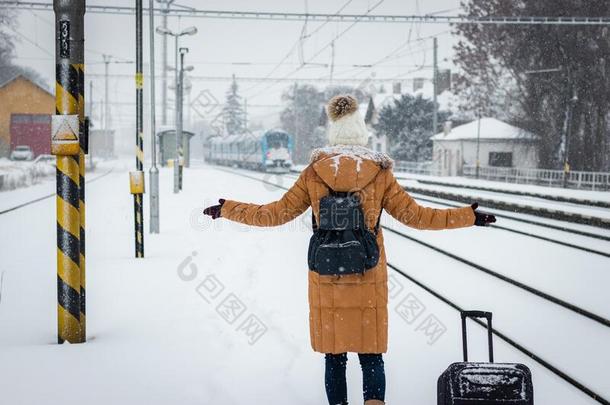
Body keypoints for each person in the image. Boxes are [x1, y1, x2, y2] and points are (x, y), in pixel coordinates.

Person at [203, 95, 496, 405]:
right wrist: (468, 216)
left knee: (335, 359)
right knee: (371, 358)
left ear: (333, 133)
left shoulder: (314, 172)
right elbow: (418, 216)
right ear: (361, 134)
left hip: (327, 277)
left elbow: (275, 213)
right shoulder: (380, 173)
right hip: (367, 275)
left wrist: (229, 210)